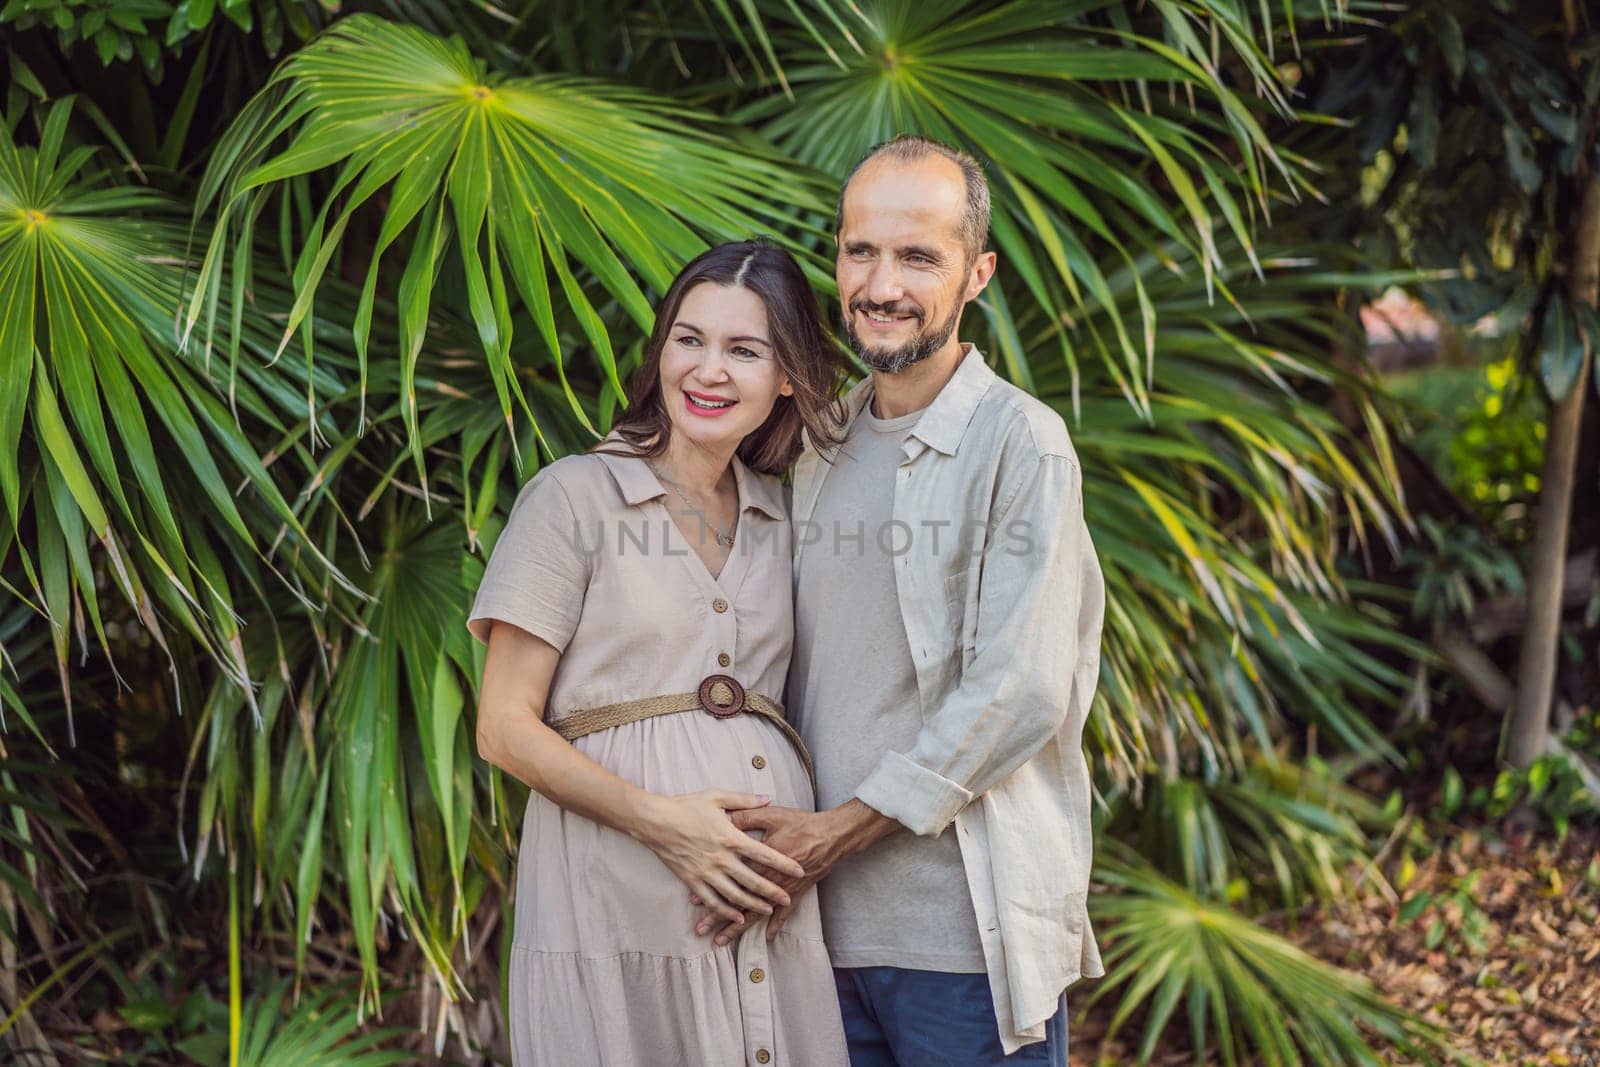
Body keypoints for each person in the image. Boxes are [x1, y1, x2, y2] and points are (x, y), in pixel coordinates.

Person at [702, 137, 1105, 1064]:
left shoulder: (1020, 446)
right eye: (860, 251)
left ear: (977, 275)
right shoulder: (814, 440)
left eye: (919, 256)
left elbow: (1020, 689)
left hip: (957, 942)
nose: (882, 284)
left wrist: (836, 832)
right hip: (809, 933)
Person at [471, 240, 849, 1065]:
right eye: (690, 338)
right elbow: (502, 727)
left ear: (787, 376)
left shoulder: (787, 519)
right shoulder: (575, 495)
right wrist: (668, 825)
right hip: (613, 891)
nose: (708, 370)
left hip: (767, 908)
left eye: (744, 350)